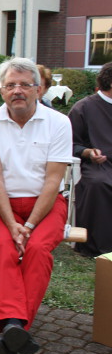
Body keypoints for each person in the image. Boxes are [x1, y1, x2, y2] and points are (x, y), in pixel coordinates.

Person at [0, 57, 73, 354]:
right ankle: (16, 331)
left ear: (38, 88)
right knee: (4, 248)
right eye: (10, 85)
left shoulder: (59, 123)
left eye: (24, 85)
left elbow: (53, 180)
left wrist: (29, 226)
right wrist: (13, 224)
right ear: (2, 91)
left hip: (45, 206)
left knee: (38, 250)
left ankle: (10, 329)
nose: (17, 90)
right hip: (5, 206)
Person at [68, 61, 112, 258]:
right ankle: (99, 246)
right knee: (98, 184)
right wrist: (88, 153)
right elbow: (70, 143)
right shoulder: (84, 108)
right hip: (97, 165)